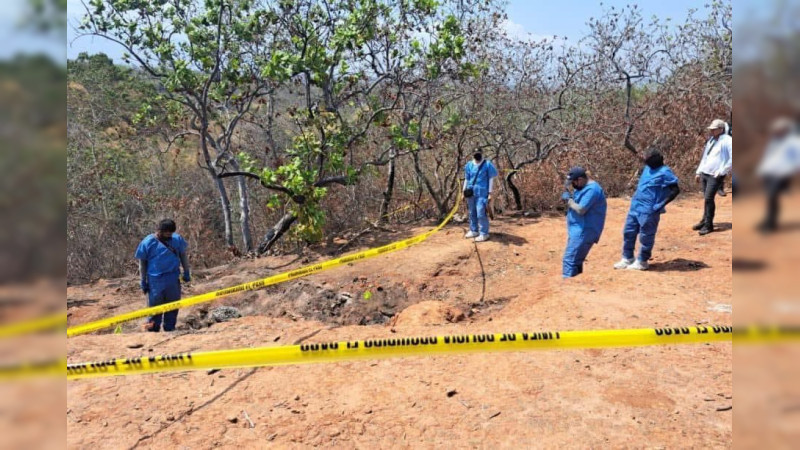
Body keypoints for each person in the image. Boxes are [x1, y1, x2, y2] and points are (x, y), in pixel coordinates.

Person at [614, 148, 680, 271]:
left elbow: (675, 190)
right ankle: (627, 258)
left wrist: (660, 205)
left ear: (655, 159)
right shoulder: (647, 169)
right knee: (628, 232)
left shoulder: (665, 172)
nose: (645, 160)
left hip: (649, 209)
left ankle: (642, 261)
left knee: (646, 236)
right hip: (635, 206)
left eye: (647, 158)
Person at [135, 219, 191, 332]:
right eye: (166, 233)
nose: (169, 235)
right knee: (155, 308)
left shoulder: (177, 239)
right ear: (159, 230)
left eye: (171, 233)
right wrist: (143, 280)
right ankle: (153, 331)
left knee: (173, 305)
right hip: (155, 280)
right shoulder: (148, 242)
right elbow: (142, 263)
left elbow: (183, 255)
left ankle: (170, 329)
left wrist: (186, 271)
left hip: (173, 278)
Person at [756, 117, 800, 233]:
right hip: (769, 172)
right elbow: (767, 156)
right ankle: (769, 220)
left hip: (782, 173)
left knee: (772, 196)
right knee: (770, 198)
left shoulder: (794, 142)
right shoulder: (774, 141)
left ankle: (771, 224)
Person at [561, 167, 607, 278]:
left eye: (573, 182)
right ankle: (575, 283)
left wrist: (569, 201)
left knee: (569, 259)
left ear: (580, 179)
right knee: (576, 260)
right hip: (578, 229)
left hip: (584, 230)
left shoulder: (592, 190)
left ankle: (567, 287)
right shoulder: (583, 187)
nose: (573, 185)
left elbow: (581, 209)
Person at [693, 119, 732, 236]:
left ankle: (708, 225)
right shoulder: (711, 140)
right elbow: (705, 157)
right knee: (706, 197)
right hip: (705, 172)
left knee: (709, 198)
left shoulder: (728, 141)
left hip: (715, 174)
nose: (712, 131)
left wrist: (722, 171)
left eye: (714, 129)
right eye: (711, 129)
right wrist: (698, 172)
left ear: (721, 129)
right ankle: (704, 220)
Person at [463, 150, 498, 242]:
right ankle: (474, 230)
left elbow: (491, 179)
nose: (477, 155)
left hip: (482, 192)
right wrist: (463, 191)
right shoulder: (469, 165)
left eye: (478, 153)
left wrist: (490, 193)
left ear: (481, 153)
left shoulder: (487, 164)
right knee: (472, 212)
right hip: (470, 191)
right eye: (475, 154)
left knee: (481, 212)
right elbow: (466, 179)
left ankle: (484, 233)